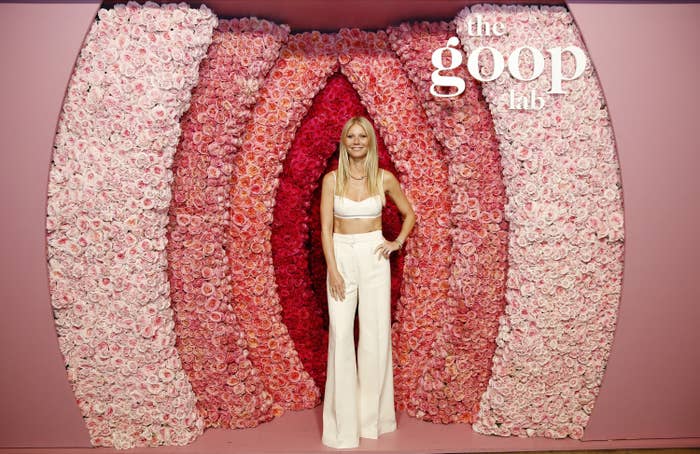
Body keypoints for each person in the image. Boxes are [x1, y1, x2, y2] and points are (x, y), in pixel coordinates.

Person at [320, 116, 416, 449]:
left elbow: (410, 214)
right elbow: (325, 229)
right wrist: (333, 268)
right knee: (342, 335)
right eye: (351, 136)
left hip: (375, 259)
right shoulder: (332, 180)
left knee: (375, 337)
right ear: (344, 141)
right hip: (342, 257)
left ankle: (372, 421)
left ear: (370, 141)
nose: (357, 141)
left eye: (362, 136)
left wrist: (395, 243)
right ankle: (342, 428)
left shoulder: (384, 178)